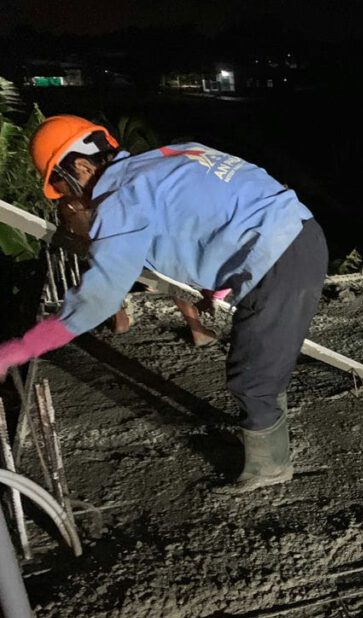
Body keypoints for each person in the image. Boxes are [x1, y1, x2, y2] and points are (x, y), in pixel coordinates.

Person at [0, 115, 328, 492]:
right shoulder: (169, 155)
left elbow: (98, 300)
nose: (66, 198)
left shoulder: (122, 202)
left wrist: (20, 349)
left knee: (252, 378)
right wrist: (221, 279)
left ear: (82, 168)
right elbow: (223, 201)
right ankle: (265, 437)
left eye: (60, 186)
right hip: (297, 232)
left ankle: (270, 468)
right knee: (260, 359)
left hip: (280, 260)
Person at [55, 195, 224, 345]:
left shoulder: (71, 202)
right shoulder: (101, 191)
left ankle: (120, 318)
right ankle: (197, 329)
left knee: (102, 268)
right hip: (134, 243)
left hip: (109, 253)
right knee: (172, 276)